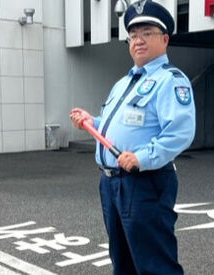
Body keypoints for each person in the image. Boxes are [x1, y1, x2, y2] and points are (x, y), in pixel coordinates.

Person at [69, 1, 195, 274]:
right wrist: (93, 122)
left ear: (164, 39)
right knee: (122, 261)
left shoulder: (170, 80)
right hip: (112, 183)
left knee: (155, 264)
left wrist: (142, 157)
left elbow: (180, 132)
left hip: (145, 182)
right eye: (133, 35)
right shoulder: (124, 82)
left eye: (147, 33)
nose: (138, 40)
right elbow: (117, 125)